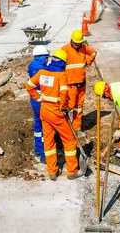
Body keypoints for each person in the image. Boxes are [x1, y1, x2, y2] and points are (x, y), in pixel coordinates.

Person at [26, 49, 80, 181]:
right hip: (56, 112)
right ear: (63, 63)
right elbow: (64, 93)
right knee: (69, 140)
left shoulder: (42, 72)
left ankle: (52, 171)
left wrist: (37, 97)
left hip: (44, 110)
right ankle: (72, 171)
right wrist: (63, 106)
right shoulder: (61, 75)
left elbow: (28, 85)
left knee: (49, 141)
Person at [60, 30, 96, 137]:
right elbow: (57, 62)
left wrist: (88, 62)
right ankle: (63, 127)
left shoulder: (84, 47)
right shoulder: (65, 49)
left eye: (78, 43)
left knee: (79, 107)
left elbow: (93, 52)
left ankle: (77, 127)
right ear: (71, 41)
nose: (76, 45)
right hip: (70, 84)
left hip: (81, 83)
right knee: (69, 106)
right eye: (75, 43)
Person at [27, 45, 50, 163]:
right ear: (44, 56)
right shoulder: (46, 68)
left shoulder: (31, 66)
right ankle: (44, 155)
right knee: (46, 127)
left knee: (37, 124)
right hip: (44, 99)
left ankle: (37, 148)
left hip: (34, 98)